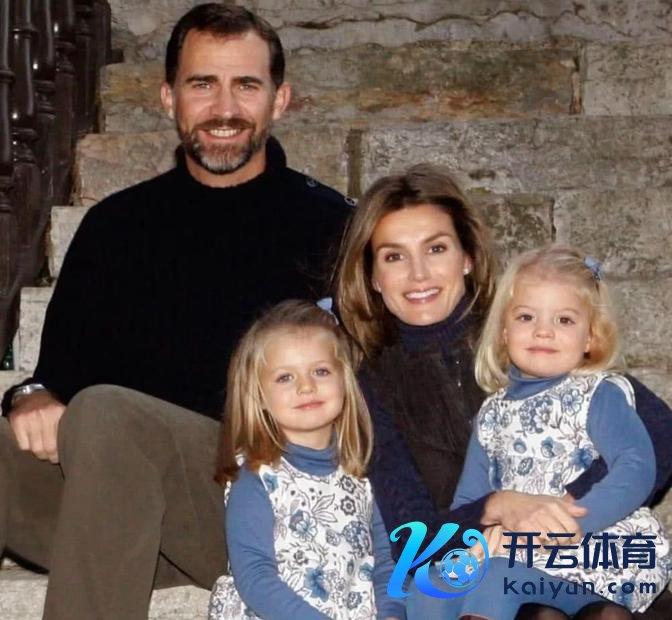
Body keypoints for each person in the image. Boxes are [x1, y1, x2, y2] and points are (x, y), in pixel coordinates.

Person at [0, 5, 351, 619]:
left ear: (280, 99)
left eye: (246, 85)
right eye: (202, 84)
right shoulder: (114, 226)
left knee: (109, 413)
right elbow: (54, 379)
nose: (224, 108)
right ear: (169, 98)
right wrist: (28, 395)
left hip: (265, 514)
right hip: (116, 515)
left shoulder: (334, 227)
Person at [334, 164, 672, 620]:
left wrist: (553, 512)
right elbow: (411, 536)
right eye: (394, 256)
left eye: (436, 248)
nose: (418, 274)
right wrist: (497, 508)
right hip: (477, 557)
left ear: (468, 257)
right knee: (432, 593)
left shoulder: (528, 327)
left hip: (584, 550)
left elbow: (656, 433)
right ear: (373, 276)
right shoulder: (369, 382)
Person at [432, 245, 671, 618]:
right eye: (526, 317)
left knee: (497, 581)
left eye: (564, 320)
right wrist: (476, 539)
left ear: (590, 337)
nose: (543, 331)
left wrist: (570, 526)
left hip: (598, 540)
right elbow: (470, 501)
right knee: (435, 587)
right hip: (521, 549)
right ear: (504, 331)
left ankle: (599, 612)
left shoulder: (597, 393)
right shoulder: (492, 413)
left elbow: (636, 465)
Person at [209, 300, 404, 620]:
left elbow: (387, 562)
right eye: (285, 377)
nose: (306, 386)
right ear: (259, 395)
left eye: (321, 371)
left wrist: (392, 613)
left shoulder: (364, 476)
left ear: (345, 381)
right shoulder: (257, 478)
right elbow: (255, 577)